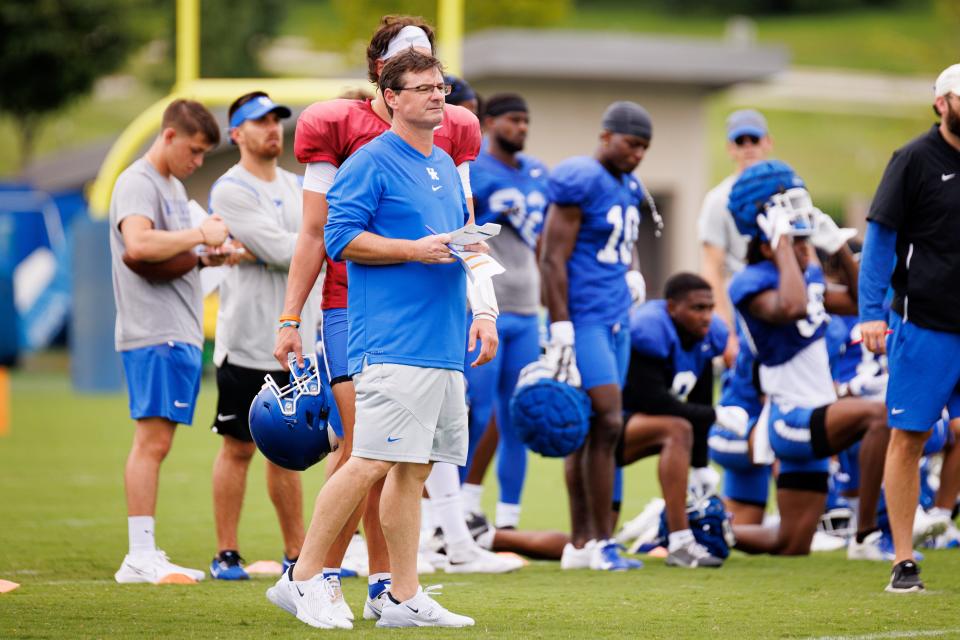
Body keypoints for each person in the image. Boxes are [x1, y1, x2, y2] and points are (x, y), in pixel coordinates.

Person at [277, 15, 516, 617]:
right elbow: (338, 238)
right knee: (370, 459)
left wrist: (483, 312)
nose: (440, 97)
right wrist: (413, 250)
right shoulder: (371, 160)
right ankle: (303, 576)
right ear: (391, 97)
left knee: (413, 469)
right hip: (391, 339)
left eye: (442, 88)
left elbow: (464, 242)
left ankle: (403, 595)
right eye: (426, 89)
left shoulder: (442, 163)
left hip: (442, 340)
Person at [726, 159, 889, 558]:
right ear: (767, 242)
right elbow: (794, 306)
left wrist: (839, 249)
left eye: (803, 243)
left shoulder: (804, 276)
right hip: (791, 419)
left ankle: (701, 529)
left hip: (816, 415)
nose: (805, 250)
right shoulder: (750, 283)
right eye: (795, 243)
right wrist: (783, 242)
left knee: (791, 544)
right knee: (880, 415)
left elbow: (856, 302)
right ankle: (867, 535)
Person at [110, 99, 227, 584]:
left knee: (158, 442)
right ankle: (139, 554)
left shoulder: (173, 186)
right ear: (170, 136)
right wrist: (199, 234)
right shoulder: (138, 182)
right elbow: (138, 245)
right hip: (153, 330)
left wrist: (204, 257)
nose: (197, 162)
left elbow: (166, 254)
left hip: (174, 328)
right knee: (151, 442)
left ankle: (144, 551)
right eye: (195, 151)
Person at [206, 92, 321, 580]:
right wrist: (306, 245)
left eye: (276, 120)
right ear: (237, 133)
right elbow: (282, 248)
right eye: (260, 121)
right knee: (238, 446)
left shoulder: (300, 185)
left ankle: (297, 553)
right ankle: (226, 552)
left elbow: (316, 241)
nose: (273, 128)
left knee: (290, 449)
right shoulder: (230, 189)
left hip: (298, 339)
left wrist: (264, 249)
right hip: (250, 338)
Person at [859, 63, 960, 593]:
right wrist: (870, 313)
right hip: (925, 324)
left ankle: (943, 515)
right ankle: (902, 558)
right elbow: (878, 243)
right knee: (910, 436)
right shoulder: (914, 161)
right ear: (941, 103)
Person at [539, 100, 651, 571]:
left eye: (644, 147)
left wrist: (633, 272)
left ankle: (581, 544)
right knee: (607, 421)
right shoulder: (581, 177)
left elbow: (622, 245)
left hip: (615, 319)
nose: (637, 154)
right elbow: (550, 256)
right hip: (583, 317)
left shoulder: (627, 183)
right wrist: (560, 320)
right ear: (606, 136)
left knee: (592, 429)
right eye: (631, 143)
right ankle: (599, 540)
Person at [458, 93, 549, 530]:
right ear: (490, 122)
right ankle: (458, 510)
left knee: (518, 413)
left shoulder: (537, 172)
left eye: (526, 120)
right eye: (514, 119)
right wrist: (492, 213)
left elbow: (549, 239)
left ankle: (509, 518)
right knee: (476, 409)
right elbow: (460, 235)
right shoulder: (472, 170)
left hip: (528, 308)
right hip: (486, 307)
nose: (522, 128)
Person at [617, 273, 733, 567]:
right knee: (676, 428)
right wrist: (716, 415)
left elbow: (700, 399)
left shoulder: (705, 339)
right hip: (604, 435)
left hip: (634, 430)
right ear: (671, 307)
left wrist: (701, 465)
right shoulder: (649, 331)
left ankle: (663, 530)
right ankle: (679, 541)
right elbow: (652, 401)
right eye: (697, 308)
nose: (706, 316)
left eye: (709, 308)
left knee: (593, 542)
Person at [698, 109, 773, 366]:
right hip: (741, 302)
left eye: (754, 139)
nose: (748, 147)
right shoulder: (718, 200)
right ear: (731, 148)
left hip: (780, 299)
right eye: (741, 141)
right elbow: (712, 267)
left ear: (767, 142)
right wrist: (725, 329)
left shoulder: (784, 190)